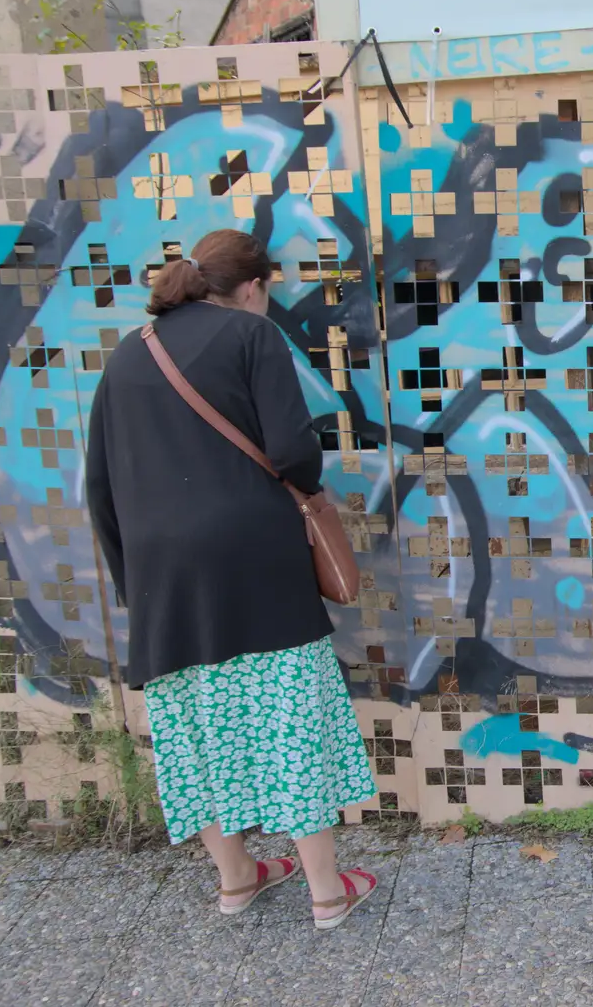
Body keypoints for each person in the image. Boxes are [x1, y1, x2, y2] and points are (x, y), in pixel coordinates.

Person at [85, 228, 378, 930]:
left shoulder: (126, 357)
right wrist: (307, 488)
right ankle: (326, 893)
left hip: (161, 570)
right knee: (287, 718)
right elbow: (289, 449)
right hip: (253, 557)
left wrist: (136, 583)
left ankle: (237, 881)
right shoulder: (252, 338)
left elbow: (99, 483)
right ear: (253, 288)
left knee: (194, 725)